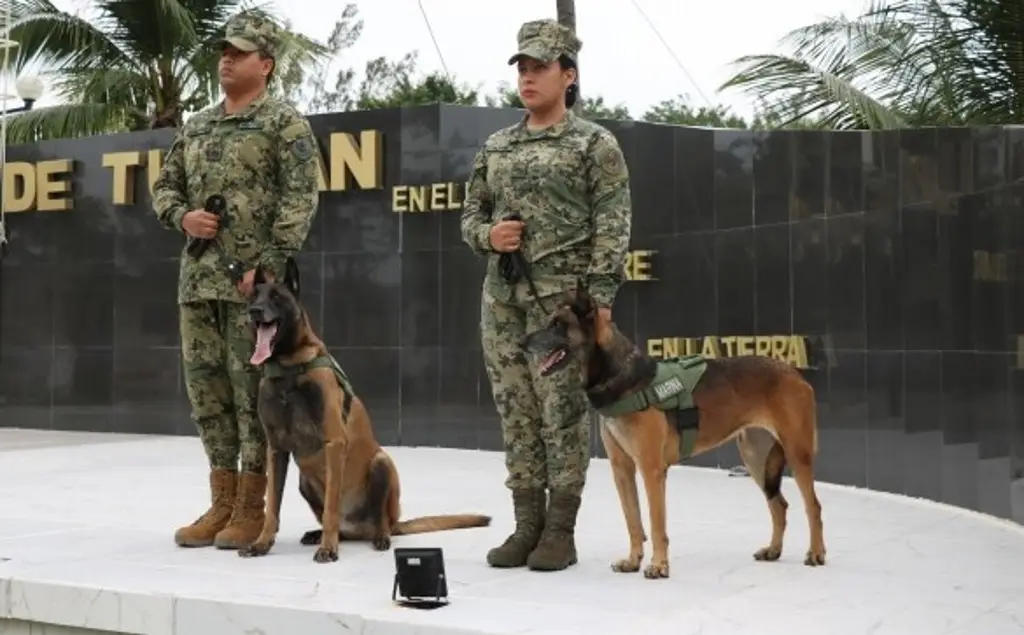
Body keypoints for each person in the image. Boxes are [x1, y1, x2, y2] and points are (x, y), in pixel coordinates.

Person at [460, 18, 633, 572]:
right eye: (523, 69)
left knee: (560, 415)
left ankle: (560, 530)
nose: (529, 78)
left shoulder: (593, 144)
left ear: (568, 75)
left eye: (540, 68)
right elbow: (471, 216)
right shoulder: (497, 146)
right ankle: (526, 526)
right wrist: (489, 236)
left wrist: (601, 294)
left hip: (563, 309)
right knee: (516, 414)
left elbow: (614, 220)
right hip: (502, 302)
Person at [152, 11, 320, 550]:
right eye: (224, 50)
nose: (226, 58)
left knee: (254, 398)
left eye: (240, 52)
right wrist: (183, 218)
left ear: (265, 65)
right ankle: (221, 501)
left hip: (255, 293)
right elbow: (165, 188)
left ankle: (253, 505)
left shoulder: (284, 124)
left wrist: (269, 264)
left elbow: (300, 198)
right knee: (208, 395)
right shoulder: (196, 126)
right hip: (198, 284)